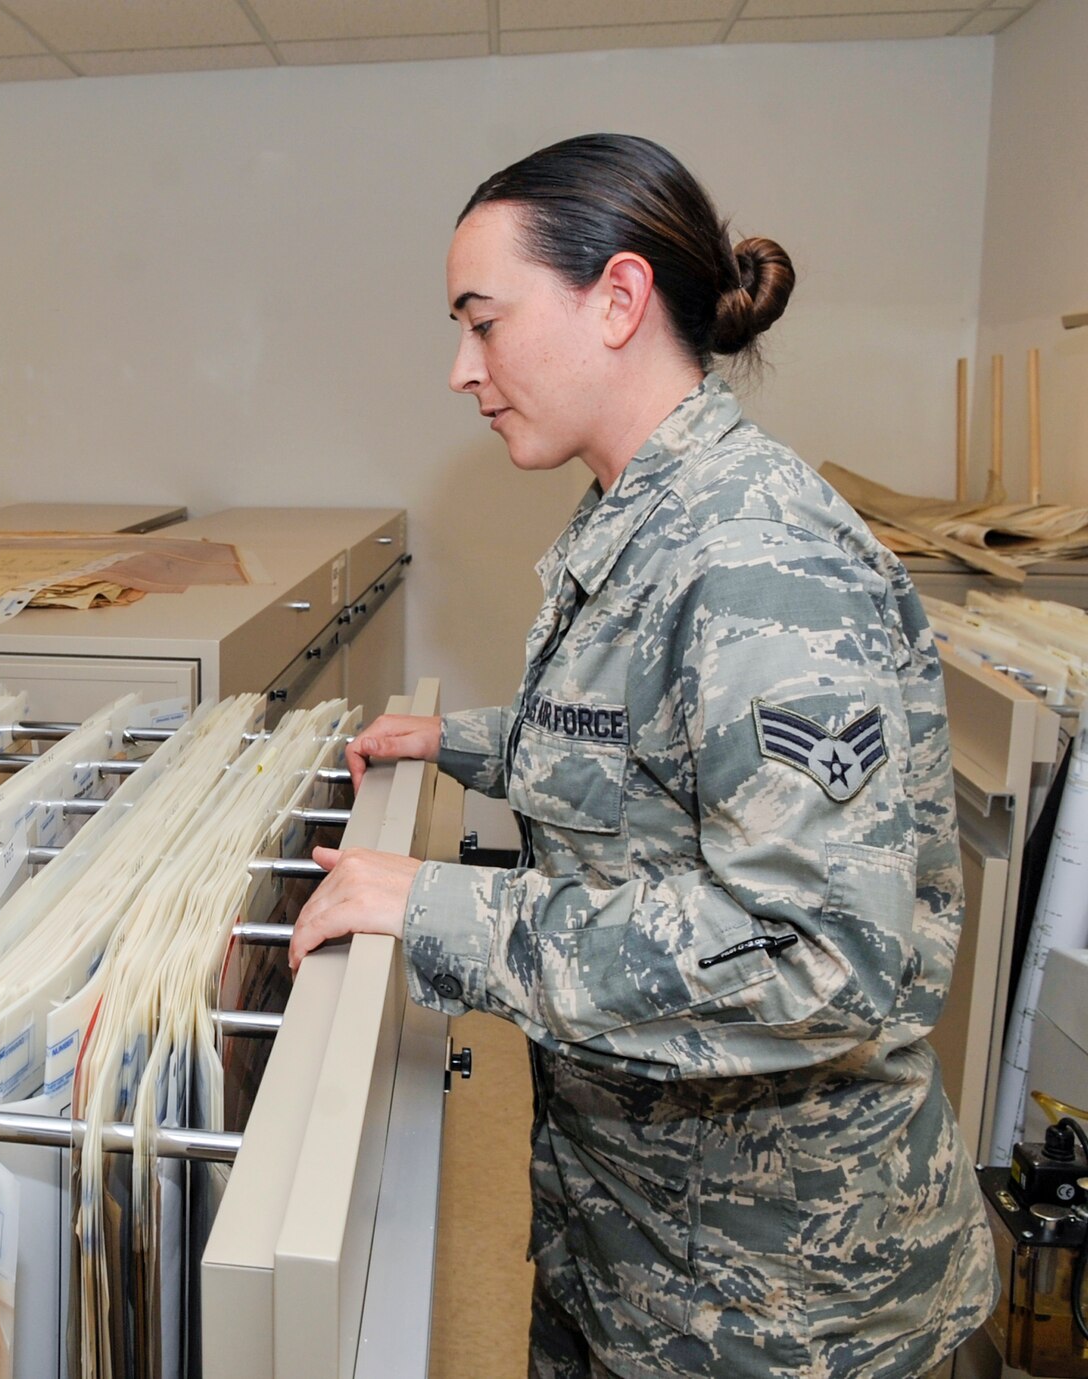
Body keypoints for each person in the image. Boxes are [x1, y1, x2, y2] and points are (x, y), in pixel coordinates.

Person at [289, 134, 997, 1379]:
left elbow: (812, 953)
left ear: (616, 297)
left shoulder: (759, 557)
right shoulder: (647, 512)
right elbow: (638, 750)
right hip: (627, 1239)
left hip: (774, 1302)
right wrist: (460, 743)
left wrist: (444, 907)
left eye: (483, 323)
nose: (461, 370)